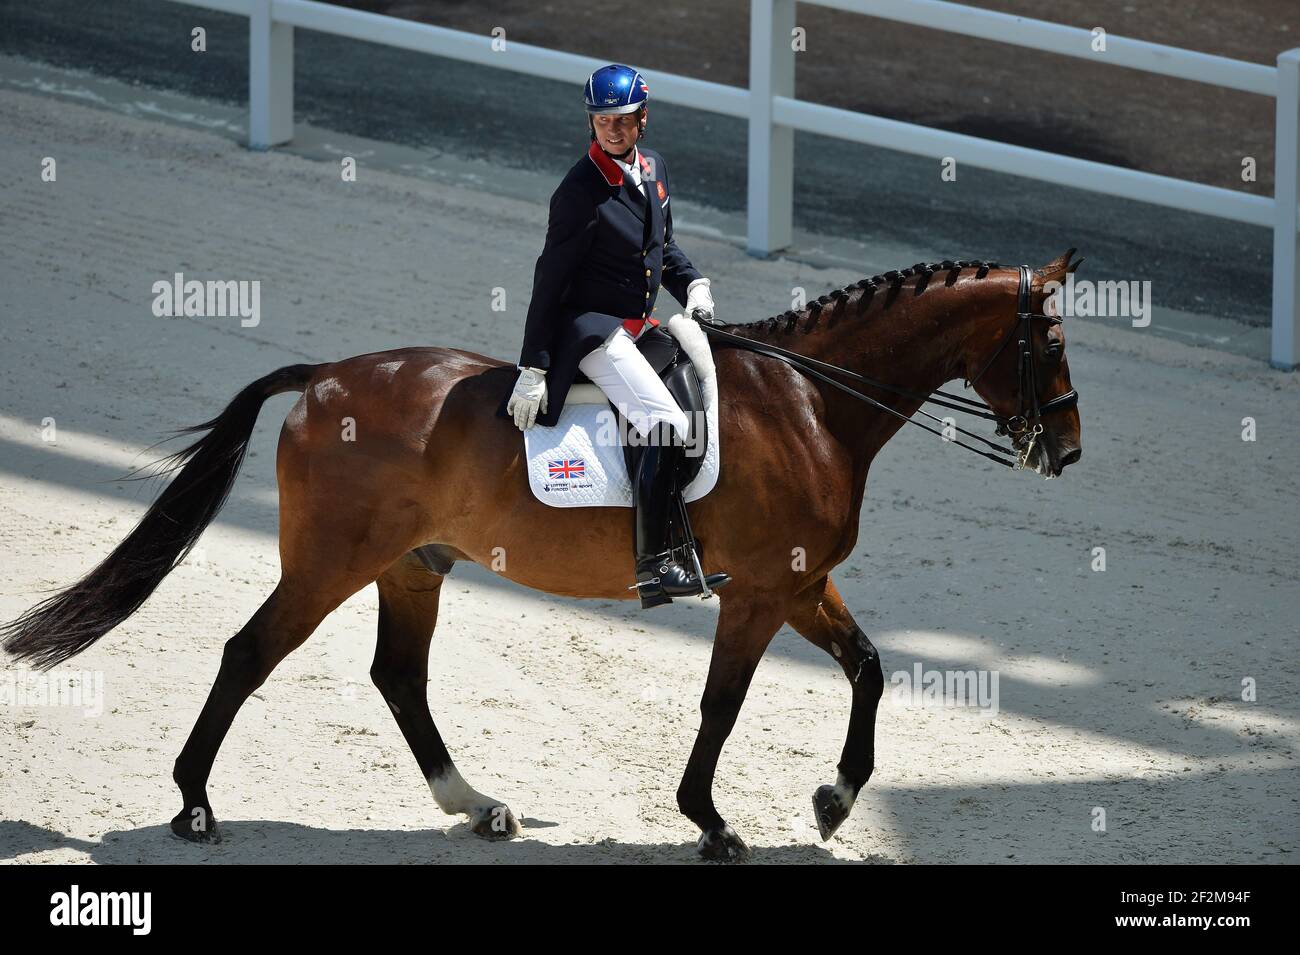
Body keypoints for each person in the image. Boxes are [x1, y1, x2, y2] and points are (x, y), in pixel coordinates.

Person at [495, 63, 730, 608]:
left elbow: (660, 248)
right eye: (602, 121)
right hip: (592, 331)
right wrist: (534, 364)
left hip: (638, 325)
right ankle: (655, 564)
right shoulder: (579, 191)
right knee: (666, 423)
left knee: (699, 380)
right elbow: (548, 280)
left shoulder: (654, 167)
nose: (612, 130)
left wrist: (693, 284)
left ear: (642, 118)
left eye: (622, 120)